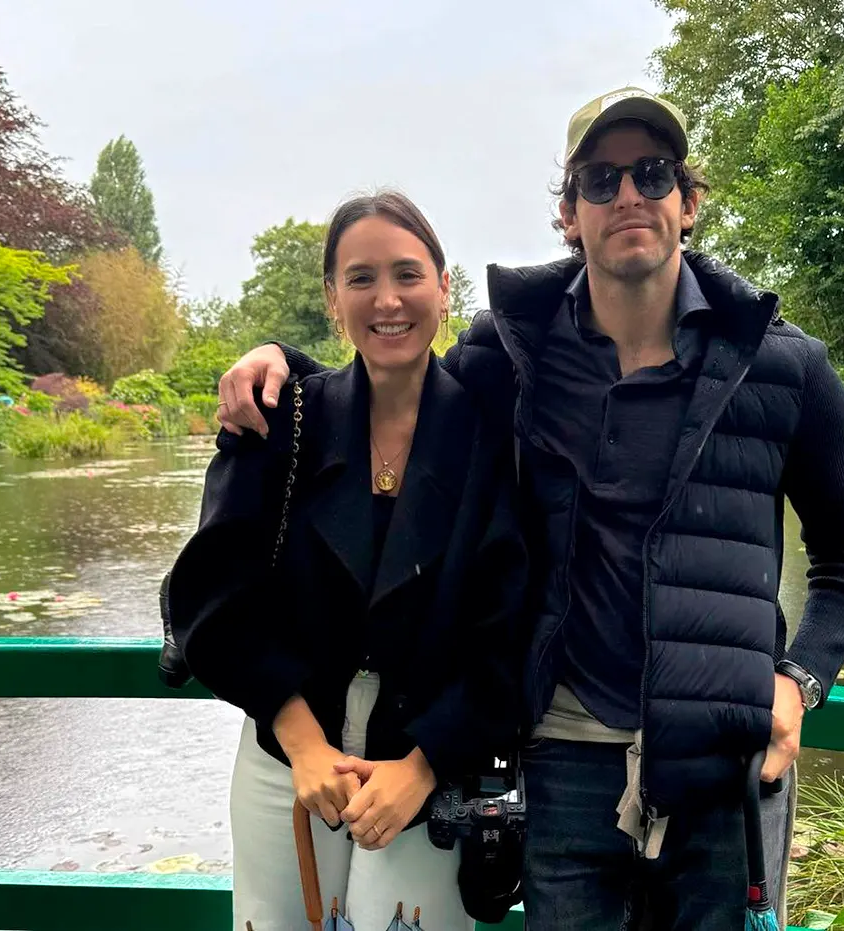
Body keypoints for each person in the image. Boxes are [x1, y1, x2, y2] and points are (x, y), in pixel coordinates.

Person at [215, 87, 844, 930]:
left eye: (652, 173)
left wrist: (799, 680)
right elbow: (390, 374)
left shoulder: (782, 365)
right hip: (566, 758)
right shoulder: (515, 347)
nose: (628, 196)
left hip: (723, 756)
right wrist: (275, 365)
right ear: (570, 213)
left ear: (688, 200)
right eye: (600, 180)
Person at [168, 192, 527, 931]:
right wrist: (301, 745)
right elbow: (211, 597)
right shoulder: (279, 419)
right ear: (332, 297)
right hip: (285, 766)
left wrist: (421, 766)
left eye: (407, 273)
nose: (387, 299)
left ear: (444, 285)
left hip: (426, 772)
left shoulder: (493, 435)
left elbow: (511, 620)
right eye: (360, 278)